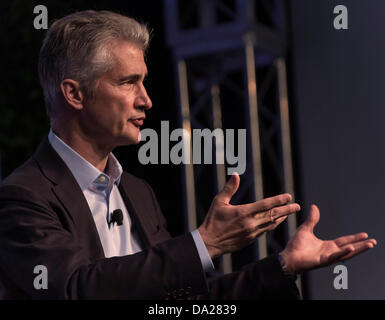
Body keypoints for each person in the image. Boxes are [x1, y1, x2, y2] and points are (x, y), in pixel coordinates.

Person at [0, 10, 376, 300]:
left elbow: (182, 301)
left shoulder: (138, 191)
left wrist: (282, 266)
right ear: (75, 94)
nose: (146, 99)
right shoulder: (22, 196)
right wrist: (205, 244)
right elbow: (77, 290)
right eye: (128, 82)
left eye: (144, 81)